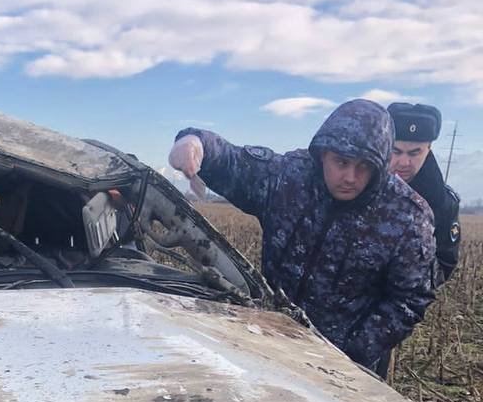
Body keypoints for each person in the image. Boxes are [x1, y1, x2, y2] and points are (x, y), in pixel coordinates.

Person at [167, 99, 436, 377]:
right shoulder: (289, 178)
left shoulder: (407, 216)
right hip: (267, 341)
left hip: (342, 368)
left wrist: (351, 351)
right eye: (341, 162)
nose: (350, 177)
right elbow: (233, 162)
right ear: (322, 155)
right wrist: (195, 143)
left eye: (365, 166)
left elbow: (409, 300)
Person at [387, 102, 461, 284]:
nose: (404, 162)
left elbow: (444, 266)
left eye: (414, 153)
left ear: (429, 149)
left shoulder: (443, 203)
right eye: (395, 151)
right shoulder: (354, 181)